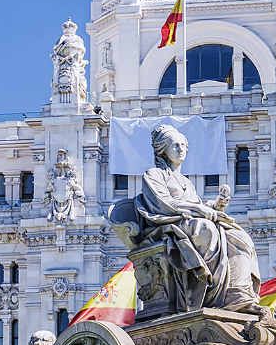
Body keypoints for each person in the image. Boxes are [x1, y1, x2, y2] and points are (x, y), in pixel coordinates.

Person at [109, 123, 261, 312]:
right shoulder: (154, 175)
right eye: (175, 145)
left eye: (183, 145)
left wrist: (216, 206)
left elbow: (198, 205)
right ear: (163, 150)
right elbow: (163, 204)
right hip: (167, 224)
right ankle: (209, 293)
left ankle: (236, 293)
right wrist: (199, 210)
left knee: (239, 237)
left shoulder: (186, 182)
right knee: (206, 231)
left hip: (188, 222)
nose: (181, 149)